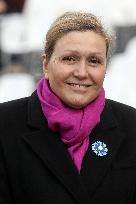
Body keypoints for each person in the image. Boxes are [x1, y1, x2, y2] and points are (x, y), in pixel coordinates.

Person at [0, 11, 136, 204]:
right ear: (46, 65)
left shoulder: (131, 125)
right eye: (70, 59)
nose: (82, 72)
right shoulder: (5, 124)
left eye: (94, 61)